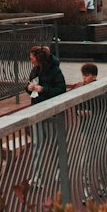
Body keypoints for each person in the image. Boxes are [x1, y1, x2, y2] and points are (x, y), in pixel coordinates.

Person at [25, 44, 67, 186]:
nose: (30, 60)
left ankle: (60, 171)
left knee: (54, 142)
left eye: (32, 58)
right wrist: (29, 88)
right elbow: (31, 88)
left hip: (51, 110)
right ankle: (36, 176)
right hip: (37, 108)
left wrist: (43, 89)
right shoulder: (35, 70)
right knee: (37, 143)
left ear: (38, 58)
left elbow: (61, 89)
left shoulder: (55, 70)